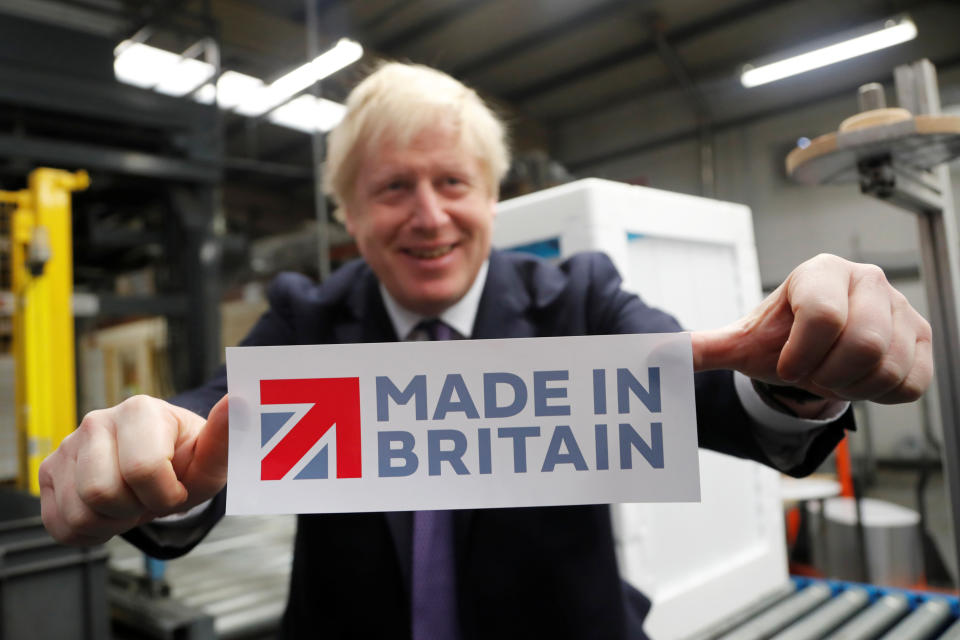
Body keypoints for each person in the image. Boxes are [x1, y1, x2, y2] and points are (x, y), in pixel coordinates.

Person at [39, 63, 932, 639]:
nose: (428, 216)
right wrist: (148, 456)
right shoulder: (309, 316)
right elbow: (207, 430)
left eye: (453, 182)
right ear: (348, 215)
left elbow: (716, 398)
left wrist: (799, 378)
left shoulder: (577, 298)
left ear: (491, 198)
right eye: (392, 188)